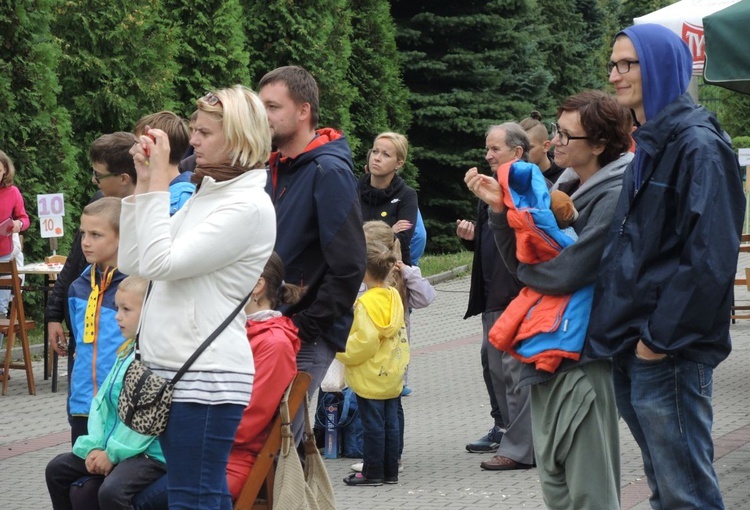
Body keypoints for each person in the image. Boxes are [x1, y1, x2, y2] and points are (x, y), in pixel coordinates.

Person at [588, 24, 745, 510]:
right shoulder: (653, 141)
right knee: (665, 487)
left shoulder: (697, 145)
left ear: (659, 67)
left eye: (627, 64)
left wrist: (656, 342)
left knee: (686, 495)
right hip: (635, 343)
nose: (615, 76)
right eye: (613, 64)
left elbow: (710, 258)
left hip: (669, 350)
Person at [467, 90, 632, 507]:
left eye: (566, 135)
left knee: (588, 493)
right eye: (557, 131)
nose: (554, 141)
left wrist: (531, 276)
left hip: (585, 359)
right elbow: (521, 262)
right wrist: (500, 211)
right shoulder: (568, 189)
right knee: (557, 486)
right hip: (552, 356)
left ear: (598, 145)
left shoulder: (614, 195)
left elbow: (565, 274)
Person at [122, 85, 276, 509]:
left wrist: (156, 182)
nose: (192, 140)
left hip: (206, 378)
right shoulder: (210, 192)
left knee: (195, 498)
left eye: (205, 133)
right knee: (198, 496)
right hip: (179, 372)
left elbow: (159, 264)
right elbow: (134, 258)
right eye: (194, 129)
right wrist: (142, 182)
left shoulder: (245, 206)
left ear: (240, 139)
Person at [131, 253, 305, 508]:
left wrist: (184, 426)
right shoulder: (238, 330)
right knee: (100, 483)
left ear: (256, 285)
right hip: (202, 449)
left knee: (133, 499)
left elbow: (248, 422)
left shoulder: (273, 343)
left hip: (227, 458)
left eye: (224, 278)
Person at [258, 65, 366, 440]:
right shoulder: (277, 168)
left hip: (303, 332)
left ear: (303, 111)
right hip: (274, 325)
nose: (264, 117)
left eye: (273, 107)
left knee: (280, 440)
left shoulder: (327, 171)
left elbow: (350, 265)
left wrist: (305, 326)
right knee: (279, 440)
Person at [46, 276, 166, 510]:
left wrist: (111, 454)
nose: (117, 316)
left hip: (148, 454)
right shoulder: (127, 351)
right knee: (57, 470)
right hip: (114, 447)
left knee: (112, 492)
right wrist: (94, 446)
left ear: (152, 312)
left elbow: (146, 422)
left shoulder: (157, 357)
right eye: (117, 307)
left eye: (126, 309)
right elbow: (101, 404)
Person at [457, 123, 531, 471]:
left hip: (518, 294)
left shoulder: (530, 188)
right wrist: (470, 240)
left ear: (517, 153)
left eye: (494, 149)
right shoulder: (491, 189)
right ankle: (505, 430)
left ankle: (521, 447)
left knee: (514, 373)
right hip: (492, 295)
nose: (487, 156)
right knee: (494, 366)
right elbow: (493, 242)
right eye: (487, 149)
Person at [48, 132, 138, 405]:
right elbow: (74, 265)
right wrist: (54, 313)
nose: (94, 181)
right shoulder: (96, 207)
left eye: (99, 175)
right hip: (85, 391)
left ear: (123, 178)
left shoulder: (150, 212)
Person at [348, 220, 436, 474]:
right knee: (391, 412)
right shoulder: (389, 289)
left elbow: (425, 298)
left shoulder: (374, 287)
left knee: (374, 417)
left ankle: (375, 463)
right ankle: (389, 462)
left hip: (370, 362)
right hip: (395, 360)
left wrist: (341, 350)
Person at [338, 240, 410, 487]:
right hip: (392, 370)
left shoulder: (366, 303)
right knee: (391, 423)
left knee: (372, 426)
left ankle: (372, 472)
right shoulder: (394, 296)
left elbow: (364, 341)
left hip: (370, 373)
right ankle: (391, 471)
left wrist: (341, 350)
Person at [66, 197, 127, 445]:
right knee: (79, 477)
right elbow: (78, 346)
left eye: (96, 235)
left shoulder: (134, 288)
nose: (86, 243)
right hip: (82, 403)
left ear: (123, 237)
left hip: (120, 404)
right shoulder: (78, 287)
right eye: (83, 234)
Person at [359, 132, 419, 266]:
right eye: (375, 151)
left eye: (386, 154)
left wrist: (363, 234)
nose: (377, 158)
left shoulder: (407, 195)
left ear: (399, 163)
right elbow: (344, 235)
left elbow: (403, 239)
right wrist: (390, 232)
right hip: (355, 269)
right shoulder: (353, 190)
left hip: (391, 271)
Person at [133, 111, 195, 216]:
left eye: (137, 144)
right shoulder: (149, 187)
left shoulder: (183, 198)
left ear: (154, 148)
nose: (132, 150)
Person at [0, 150, 30, 318]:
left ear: (5, 171)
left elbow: (25, 219)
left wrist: (19, 224)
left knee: (1, 307)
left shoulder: (12, 192)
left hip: (4, 254)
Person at [519, 111, 564, 184]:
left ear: (546, 146)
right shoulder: (513, 176)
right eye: (518, 149)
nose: (522, 154)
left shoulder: (565, 178)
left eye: (529, 148)